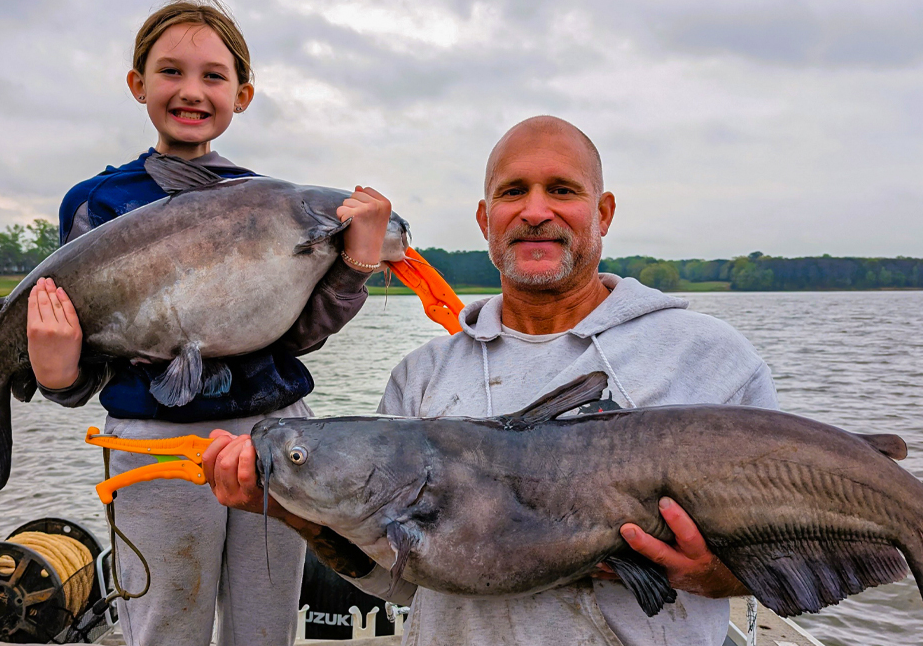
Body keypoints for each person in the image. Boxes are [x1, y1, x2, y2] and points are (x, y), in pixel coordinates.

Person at [206, 115, 779, 645]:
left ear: (602, 212)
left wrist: (716, 575)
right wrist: (289, 508)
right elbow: (403, 579)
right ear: (485, 219)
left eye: (562, 189)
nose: (534, 211)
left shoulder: (711, 361)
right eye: (512, 192)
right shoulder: (423, 377)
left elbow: (793, 554)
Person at [26, 0, 392, 646]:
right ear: (138, 83)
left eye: (213, 76)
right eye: (171, 71)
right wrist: (57, 374)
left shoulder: (271, 200)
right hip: (150, 446)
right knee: (165, 623)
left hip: (279, 442)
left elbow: (297, 333)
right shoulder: (94, 203)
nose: (191, 90)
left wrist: (353, 269)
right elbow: (82, 363)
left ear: (242, 95)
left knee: (265, 625)